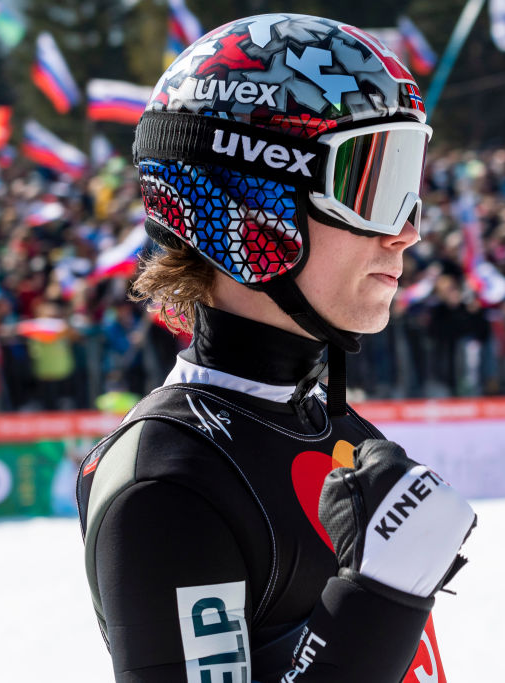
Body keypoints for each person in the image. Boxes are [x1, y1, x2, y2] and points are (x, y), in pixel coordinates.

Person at [76, 14, 477, 682]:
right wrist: (377, 599)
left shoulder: (332, 423)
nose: (405, 230)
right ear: (252, 204)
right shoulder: (166, 481)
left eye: (408, 181)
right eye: (371, 185)